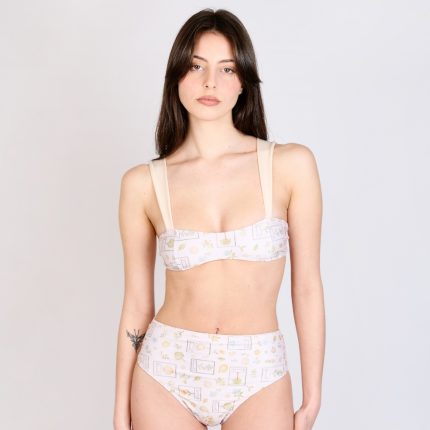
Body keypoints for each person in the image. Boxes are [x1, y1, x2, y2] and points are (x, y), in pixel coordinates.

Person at [114, 8, 325, 430]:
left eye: (226, 68)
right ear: (176, 75)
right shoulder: (142, 184)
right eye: (196, 66)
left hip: (258, 372)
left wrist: (313, 394)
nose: (210, 82)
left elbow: (306, 286)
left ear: (244, 80)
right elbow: (137, 302)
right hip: (165, 372)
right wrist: (121, 410)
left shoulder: (291, 166)